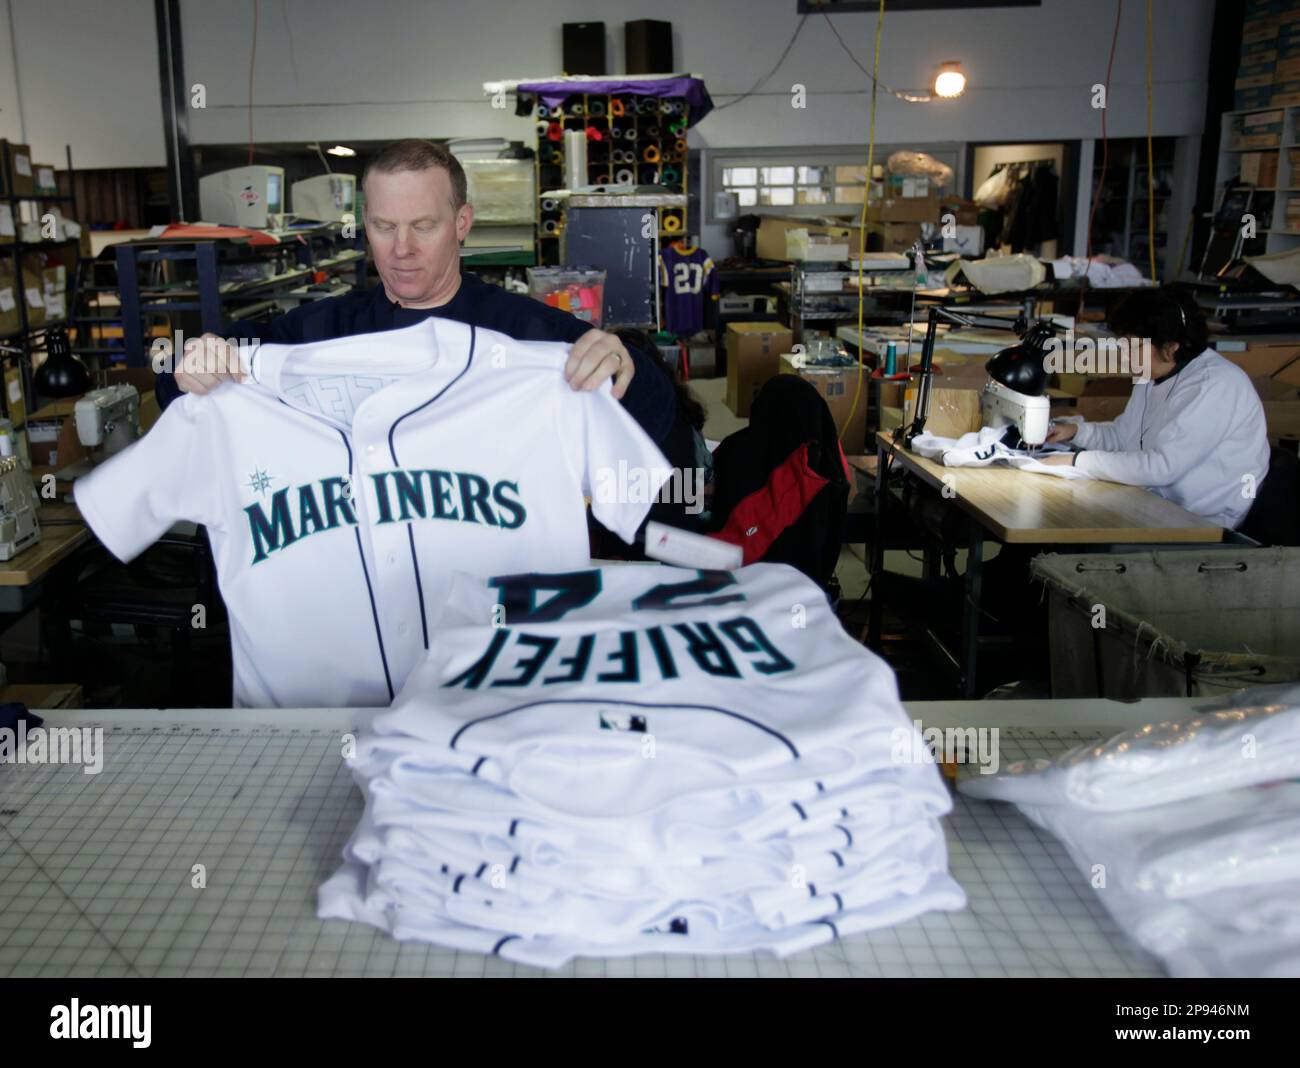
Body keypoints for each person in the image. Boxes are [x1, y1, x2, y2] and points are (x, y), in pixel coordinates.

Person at [158, 139, 673, 442]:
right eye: (384, 227)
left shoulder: (529, 332)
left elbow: (656, 417)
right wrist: (194, 364)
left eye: (423, 226)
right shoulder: (325, 331)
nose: (401, 248)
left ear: (462, 222)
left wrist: (624, 362)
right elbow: (182, 385)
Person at [1041, 286, 1269, 530]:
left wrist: (1077, 461)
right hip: (1153, 505)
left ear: (1171, 347)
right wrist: (1076, 432)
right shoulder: (1152, 374)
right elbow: (1125, 436)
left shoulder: (1215, 385)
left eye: (1134, 346)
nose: (1125, 356)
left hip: (1204, 523)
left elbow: (1161, 467)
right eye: (1122, 345)